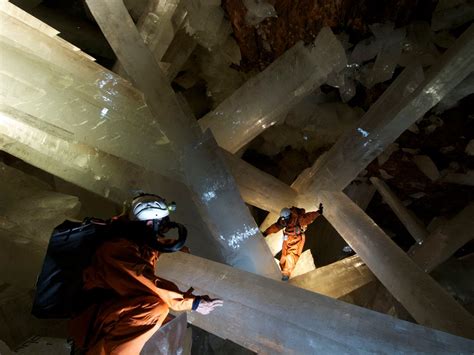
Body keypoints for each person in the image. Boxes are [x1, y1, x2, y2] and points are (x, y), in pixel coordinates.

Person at [69, 194, 223, 354]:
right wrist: (192, 303)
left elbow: (152, 250)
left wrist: (179, 252)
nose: (162, 231)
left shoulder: (133, 241)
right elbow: (147, 281)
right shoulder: (114, 250)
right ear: (150, 224)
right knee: (155, 309)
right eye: (161, 226)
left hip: (113, 311)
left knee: (168, 322)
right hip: (93, 319)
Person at [263, 204, 323, 281]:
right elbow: (276, 226)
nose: (284, 221)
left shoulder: (298, 219)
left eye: (285, 219)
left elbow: (308, 217)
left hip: (296, 239)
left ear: (289, 216)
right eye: (283, 219)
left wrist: (318, 212)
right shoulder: (284, 220)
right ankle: (282, 269)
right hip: (287, 238)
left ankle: (286, 274)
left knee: (291, 256)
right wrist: (266, 232)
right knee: (284, 255)